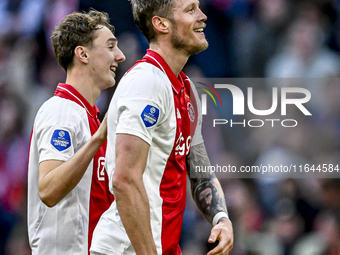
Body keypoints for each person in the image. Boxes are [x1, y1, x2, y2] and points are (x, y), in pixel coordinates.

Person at [90, 0, 233, 254]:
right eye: (190, 10)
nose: (202, 16)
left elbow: (199, 170)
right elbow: (124, 180)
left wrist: (220, 217)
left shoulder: (186, 88)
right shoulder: (146, 83)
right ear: (161, 24)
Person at [27, 10, 125, 255]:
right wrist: (98, 139)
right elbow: (49, 189)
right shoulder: (62, 111)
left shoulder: (88, 117)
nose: (120, 56)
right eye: (111, 46)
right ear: (82, 54)